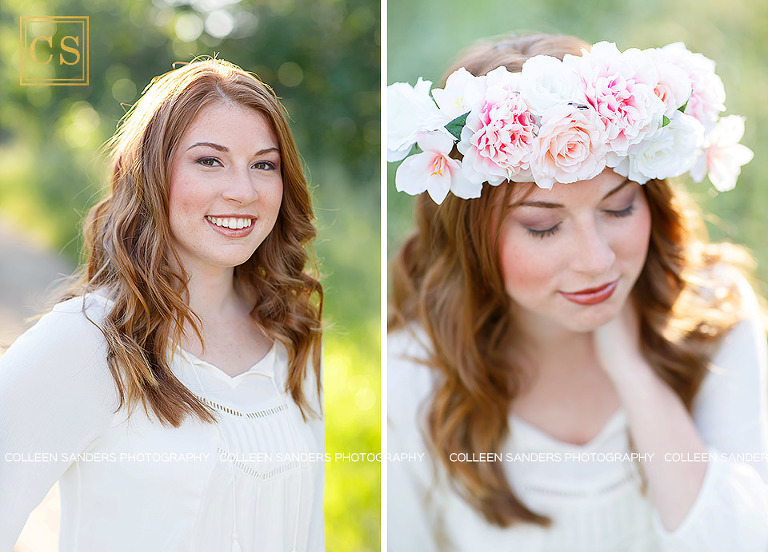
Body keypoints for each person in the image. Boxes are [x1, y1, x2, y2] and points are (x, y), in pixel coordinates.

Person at [387, 33, 768, 551]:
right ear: (470, 237)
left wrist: (634, 370)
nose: (597, 261)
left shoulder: (714, 315)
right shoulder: (413, 369)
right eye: (543, 226)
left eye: (619, 209)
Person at [0, 59, 324, 552]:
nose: (244, 191)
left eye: (264, 164)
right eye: (209, 161)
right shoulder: (87, 342)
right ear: (151, 173)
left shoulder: (291, 331)